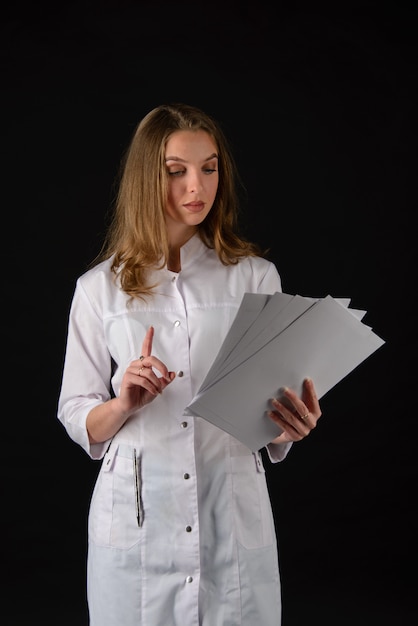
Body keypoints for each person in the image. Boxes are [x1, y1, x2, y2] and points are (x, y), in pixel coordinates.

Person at [57, 102, 322, 626]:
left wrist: (291, 427)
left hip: (230, 508)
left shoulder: (254, 278)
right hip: (138, 517)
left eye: (209, 167)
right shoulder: (99, 289)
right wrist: (124, 402)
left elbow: (270, 420)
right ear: (145, 179)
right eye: (176, 172)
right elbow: (75, 411)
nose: (196, 187)